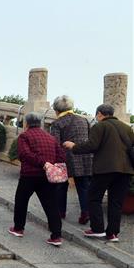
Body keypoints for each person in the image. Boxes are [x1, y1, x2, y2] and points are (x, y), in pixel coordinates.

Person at [64, 104, 134, 242]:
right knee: (116, 202)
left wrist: (74, 146)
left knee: (94, 197)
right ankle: (113, 234)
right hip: (125, 170)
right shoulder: (127, 128)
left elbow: (92, 145)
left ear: (100, 114)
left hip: (105, 169)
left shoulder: (100, 126)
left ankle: (97, 229)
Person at [8, 112, 65, 246]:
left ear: (26, 123)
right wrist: (51, 165)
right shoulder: (51, 138)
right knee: (51, 205)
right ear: (40, 123)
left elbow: (24, 154)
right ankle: (56, 236)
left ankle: (18, 228)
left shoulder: (24, 136)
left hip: (29, 175)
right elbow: (61, 156)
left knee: (21, 201)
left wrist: (42, 163)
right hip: (47, 177)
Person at [49, 95, 93, 224]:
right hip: (85, 157)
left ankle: (60, 212)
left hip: (66, 157)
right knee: (84, 186)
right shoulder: (84, 120)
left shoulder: (57, 123)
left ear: (56, 109)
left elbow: (55, 144)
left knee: (61, 186)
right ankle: (85, 213)